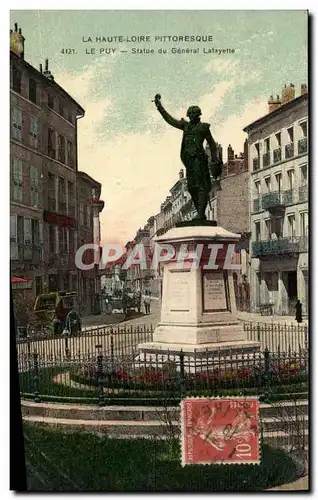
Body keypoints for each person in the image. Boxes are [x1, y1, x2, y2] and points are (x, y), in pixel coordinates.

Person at [154, 94, 223, 220]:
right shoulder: (185, 126)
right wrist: (159, 107)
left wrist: (214, 159)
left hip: (198, 159)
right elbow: (170, 120)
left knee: (200, 186)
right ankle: (199, 212)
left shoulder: (204, 127)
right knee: (191, 187)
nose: (191, 115)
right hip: (188, 161)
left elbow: (212, 144)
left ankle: (201, 213)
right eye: (189, 113)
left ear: (198, 115)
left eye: (193, 113)